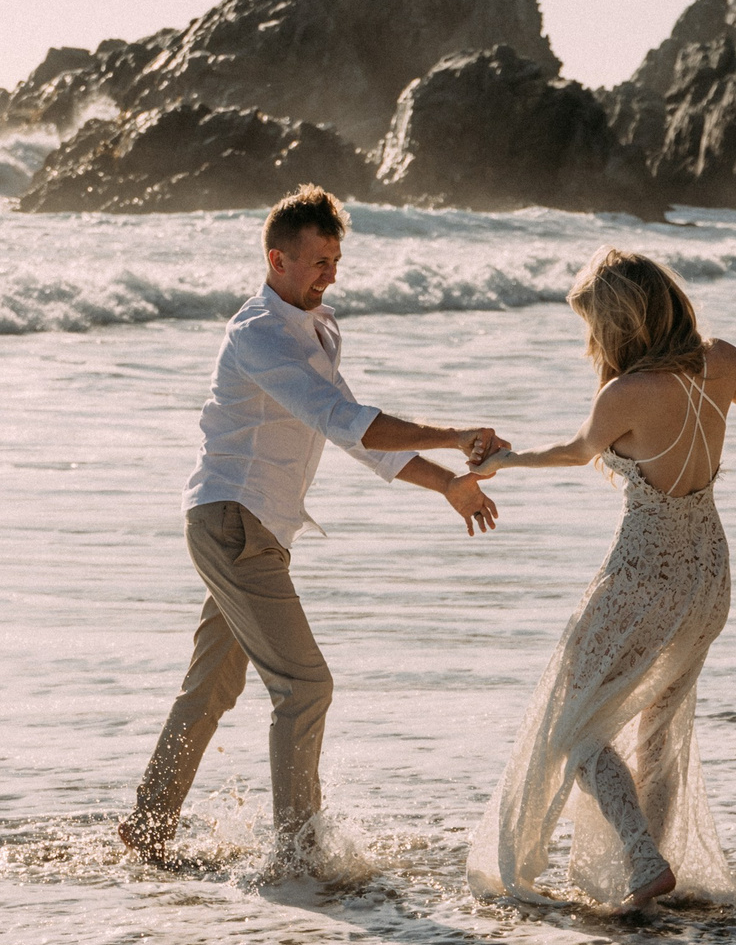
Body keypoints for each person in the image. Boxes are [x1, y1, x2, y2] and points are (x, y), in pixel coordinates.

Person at [121, 185, 505, 868]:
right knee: (305, 686)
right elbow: (342, 419)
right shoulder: (259, 335)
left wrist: (447, 481)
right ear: (278, 259)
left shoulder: (317, 327)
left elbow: (358, 435)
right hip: (232, 521)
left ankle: (147, 829)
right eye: (321, 261)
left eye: (336, 258)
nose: (333, 273)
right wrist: (457, 435)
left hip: (254, 530)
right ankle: (298, 851)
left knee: (212, 684)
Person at [465, 247, 736, 912]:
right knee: (662, 727)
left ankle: (643, 858)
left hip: (645, 571)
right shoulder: (720, 359)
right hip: (710, 573)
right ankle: (654, 878)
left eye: (594, 328)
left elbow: (574, 452)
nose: (591, 342)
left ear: (618, 325)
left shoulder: (626, 393)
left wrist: (503, 460)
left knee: (573, 720)